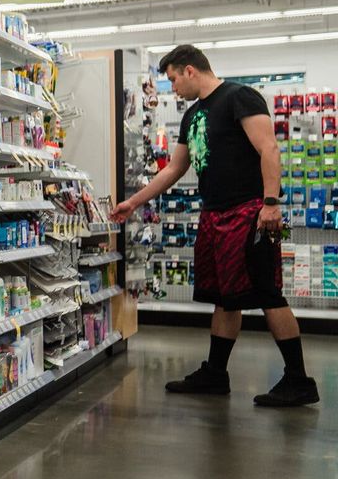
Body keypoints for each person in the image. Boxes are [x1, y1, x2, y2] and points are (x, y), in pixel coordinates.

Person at [111, 45, 319, 407]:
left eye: (173, 79)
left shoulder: (240, 97)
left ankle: (299, 380)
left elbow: (269, 148)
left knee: (268, 292)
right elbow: (174, 169)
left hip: (250, 212)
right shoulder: (192, 116)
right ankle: (215, 374)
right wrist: (134, 201)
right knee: (225, 297)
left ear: (190, 70)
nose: (172, 88)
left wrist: (271, 204)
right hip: (215, 214)